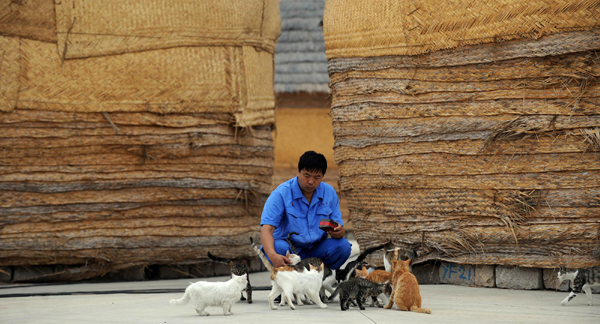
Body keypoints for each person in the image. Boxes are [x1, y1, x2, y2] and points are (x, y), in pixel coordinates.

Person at [260, 151, 352, 269]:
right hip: (290, 251)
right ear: (298, 172)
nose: (311, 181)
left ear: (322, 177)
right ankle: (291, 279)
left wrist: (338, 232)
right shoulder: (281, 193)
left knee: (343, 246)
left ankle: (321, 278)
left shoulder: (329, 193)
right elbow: (266, 230)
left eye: (317, 177)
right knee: (278, 247)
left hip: (317, 250)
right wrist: (272, 255)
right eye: (306, 175)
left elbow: (340, 230)